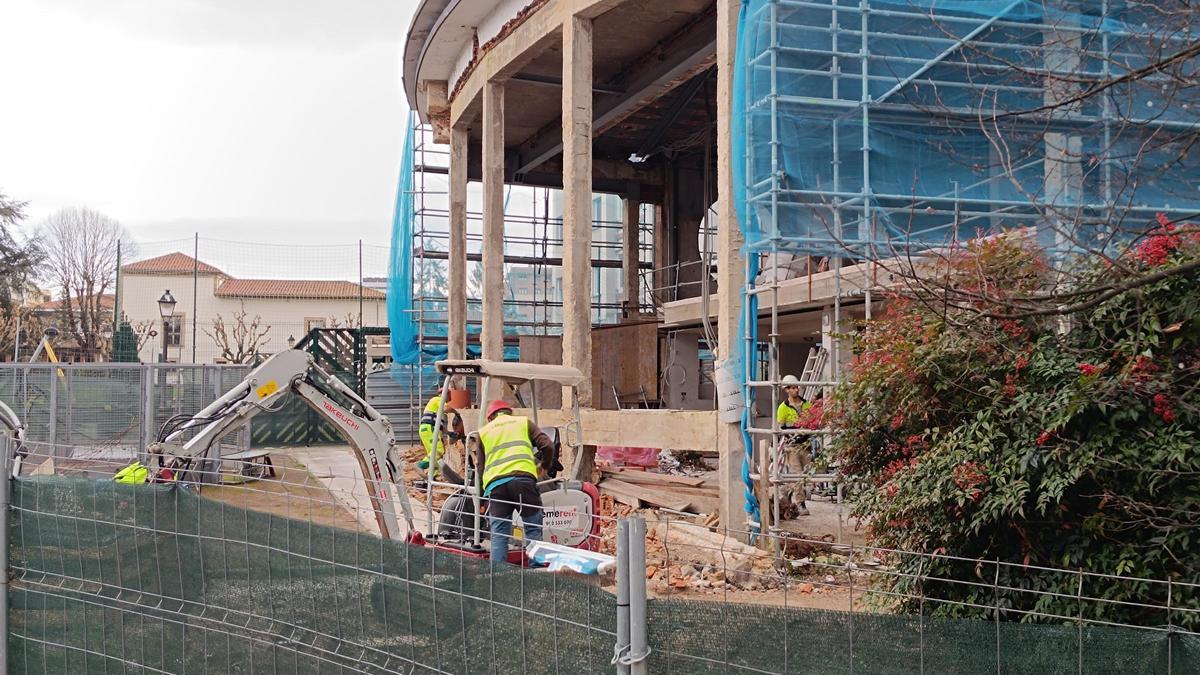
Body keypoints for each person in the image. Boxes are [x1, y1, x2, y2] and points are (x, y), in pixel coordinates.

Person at [471, 399, 556, 565]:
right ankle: (536, 575)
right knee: (532, 529)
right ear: (510, 412)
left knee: (499, 535)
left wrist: (481, 500)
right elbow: (548, 445)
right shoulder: (523, 423)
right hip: (523, 482)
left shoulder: (483, 432)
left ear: (490, 418)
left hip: (496, 487)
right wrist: (543, 466)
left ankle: (496, 578)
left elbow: (480, 469)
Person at [775, 374, 811, 517]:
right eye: (793, 388)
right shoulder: (783, 408)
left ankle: (787, 490)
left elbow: (812, 421)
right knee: (798, 475)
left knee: (807, 475)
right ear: (787, 390)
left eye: (797, 387)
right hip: (792, 446)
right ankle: (800, 503)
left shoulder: (806, 404)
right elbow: (780, 427)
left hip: (805, 444)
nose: (796, 390)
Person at [417, 392, 460, 478]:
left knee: (436, 456)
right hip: (429, 429)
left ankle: (431, 478)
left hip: (427, 429)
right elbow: (446, 408)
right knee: (438, 450)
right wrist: (456, 413)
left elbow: (440, 425)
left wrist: (449, 433)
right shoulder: (437, 399)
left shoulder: (438, 409)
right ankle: (420, 465)